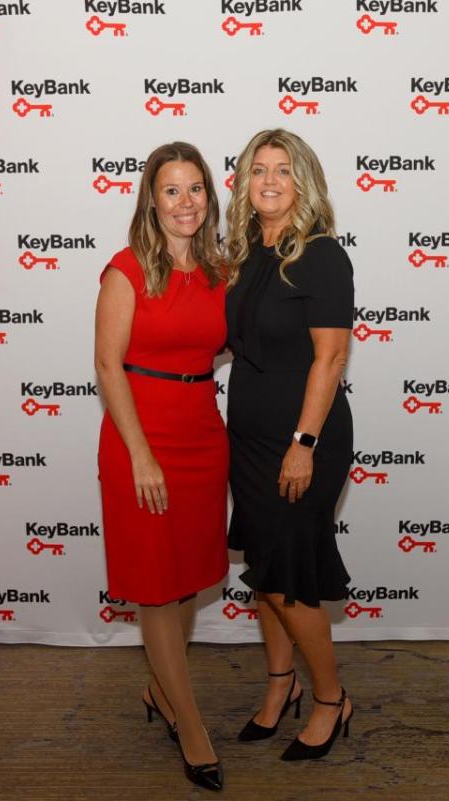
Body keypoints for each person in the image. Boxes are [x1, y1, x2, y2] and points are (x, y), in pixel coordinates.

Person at [94, 142, 229, 792]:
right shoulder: (125, 269)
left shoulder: (218, 270)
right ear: (152, 198)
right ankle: (191, 724)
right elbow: (106, 364)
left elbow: (242, 340)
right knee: (155, 581)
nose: (186, 202)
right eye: (172, 190)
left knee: (184, 579)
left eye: (196, 189)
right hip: (140, 438)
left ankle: (158, 687)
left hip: (204, 433)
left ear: (210, 197)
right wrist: (141, 453)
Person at [223, 129, 355, 761]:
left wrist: (303, 443)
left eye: (283, 170)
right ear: (244, 184)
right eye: (258, 170)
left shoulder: (322, 256)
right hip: (247, 439)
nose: (269, 181)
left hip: (304, 439)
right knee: (264, 575)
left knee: (288, 580)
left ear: (303, 181)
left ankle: (331, 699)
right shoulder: (246, 252)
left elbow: (329, 360)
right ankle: (282, 687)